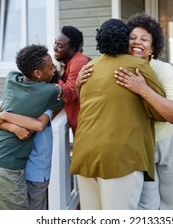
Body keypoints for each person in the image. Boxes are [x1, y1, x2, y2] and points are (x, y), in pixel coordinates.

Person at [78, 13, 173, 210]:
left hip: (171, 142)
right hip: (141, 146)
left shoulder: (162, 69)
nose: (137, 42)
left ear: (153, 47)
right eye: (132, 37)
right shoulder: (119, 67)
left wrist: (143, 89)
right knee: (145, 205)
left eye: (144, 39)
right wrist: (79, 83)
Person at [69, 18, 166, 210]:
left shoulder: (89, 67)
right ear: (125, 40)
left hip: (85, 154)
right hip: (120, 157)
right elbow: (159, 111)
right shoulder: (138, 66)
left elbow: (86, 101)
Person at [0, 44, 63, 210]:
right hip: (6, 165)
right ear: (37, 73)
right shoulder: (49, 92)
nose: (54, 70)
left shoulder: (12, 78)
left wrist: (5, 118)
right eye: (50, 67)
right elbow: (66, 95)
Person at [53, 26, 90, 135]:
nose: (55, 48)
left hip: (86, 126)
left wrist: (55, 76)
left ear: (72, 49)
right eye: (55, 43)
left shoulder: (78, 62)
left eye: (60, 45)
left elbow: (68, 94)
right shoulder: (68, 62)